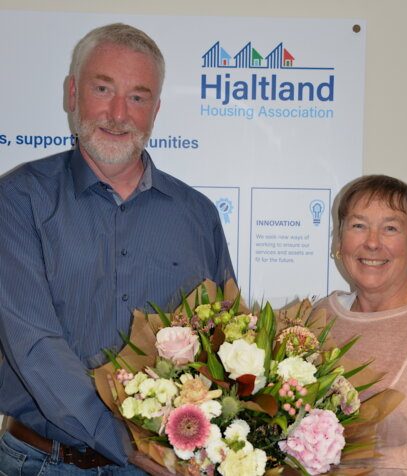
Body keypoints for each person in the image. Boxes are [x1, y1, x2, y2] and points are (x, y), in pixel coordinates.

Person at [0, 23, 234, 475]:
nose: (118, 113)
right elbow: (34, 344)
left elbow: (224, 339)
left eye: (138, 97)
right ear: (72, 94)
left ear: (156, 109)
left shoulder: (199, 215)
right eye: (102, 88)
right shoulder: (17, 201)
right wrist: (127, 443)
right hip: (43, 462)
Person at [311, 174, 407, 474]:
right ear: (339, 239)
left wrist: (363, 465)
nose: (372, 242)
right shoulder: (320, 318)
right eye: (358, 225)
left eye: (390, 228)